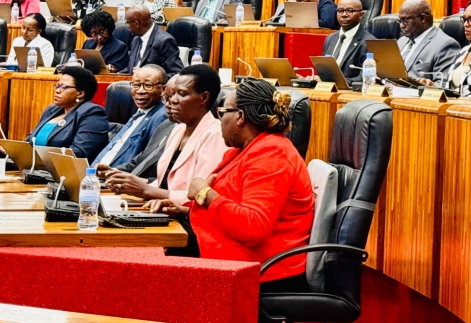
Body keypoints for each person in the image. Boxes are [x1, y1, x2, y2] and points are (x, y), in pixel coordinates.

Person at [180, 78, 314, 289]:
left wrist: (205, 194)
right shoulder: (246, 149)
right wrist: (182, 212)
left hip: (260, 269)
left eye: (222, 112)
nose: (219, 120)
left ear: (240, 117)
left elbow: (254, 226)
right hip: (234, 257)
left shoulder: (271, 154)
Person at [106, 64, 229, 256]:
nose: (172, 100)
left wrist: (147, 190)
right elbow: (164, 182)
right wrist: (129, 184)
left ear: (204, 98)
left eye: (181, 94)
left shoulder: (215, 135)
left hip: (188, 224)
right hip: (161, 212)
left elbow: (200, 195)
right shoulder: (177, 129)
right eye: (171, 95)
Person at [25, 66, 109, 160]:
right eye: (57, 86)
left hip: (68, 172)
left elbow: (78, 153)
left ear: (80, 93)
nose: (57, 91)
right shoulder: (51, 110)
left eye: (64, 87)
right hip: (35, 170)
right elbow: (30, 140)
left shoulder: (93, 114)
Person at [94, 65, 170, 167]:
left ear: (163, 89)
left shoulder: (161, 116)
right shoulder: (139, 113)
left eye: (148, 85)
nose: (140, 91)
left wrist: (114, 172)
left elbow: (147, 159)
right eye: (136, 85)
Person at [397, 0, 461, 84]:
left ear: (422, 19)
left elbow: (443, 85)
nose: (401, 25)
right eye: (400, 21)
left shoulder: (445, 45)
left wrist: (428, 85)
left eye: (406, 20)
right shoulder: (401, 41)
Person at [321, 0, 374, 84]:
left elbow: (365, 77)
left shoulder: (369, 42)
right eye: (340, 11)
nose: (344, 14)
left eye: (350, 10)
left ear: (361, 15)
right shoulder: (330, 38)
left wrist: (337, 82)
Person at [123, 5, 184, 76]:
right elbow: (132, 68)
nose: (128, 27)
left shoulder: (164, 41)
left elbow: (177, 73)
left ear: (137, 23)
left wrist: (148, 74)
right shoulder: (136, 39)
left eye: (128, 23)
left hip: (151, 85)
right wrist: (115, 71)